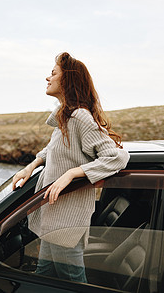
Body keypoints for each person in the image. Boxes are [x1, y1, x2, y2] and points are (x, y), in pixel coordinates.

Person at [12, 52, 130, 283]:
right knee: (44, 278)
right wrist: (31, 166)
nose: (48, 78)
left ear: (67, 80)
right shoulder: (65, 119)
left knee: (74, 282)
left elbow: (116, 157)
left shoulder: (79, 118)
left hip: (66, 220)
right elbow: (54, 151)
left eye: (53, 73)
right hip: (54, 217)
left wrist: (73, 173)